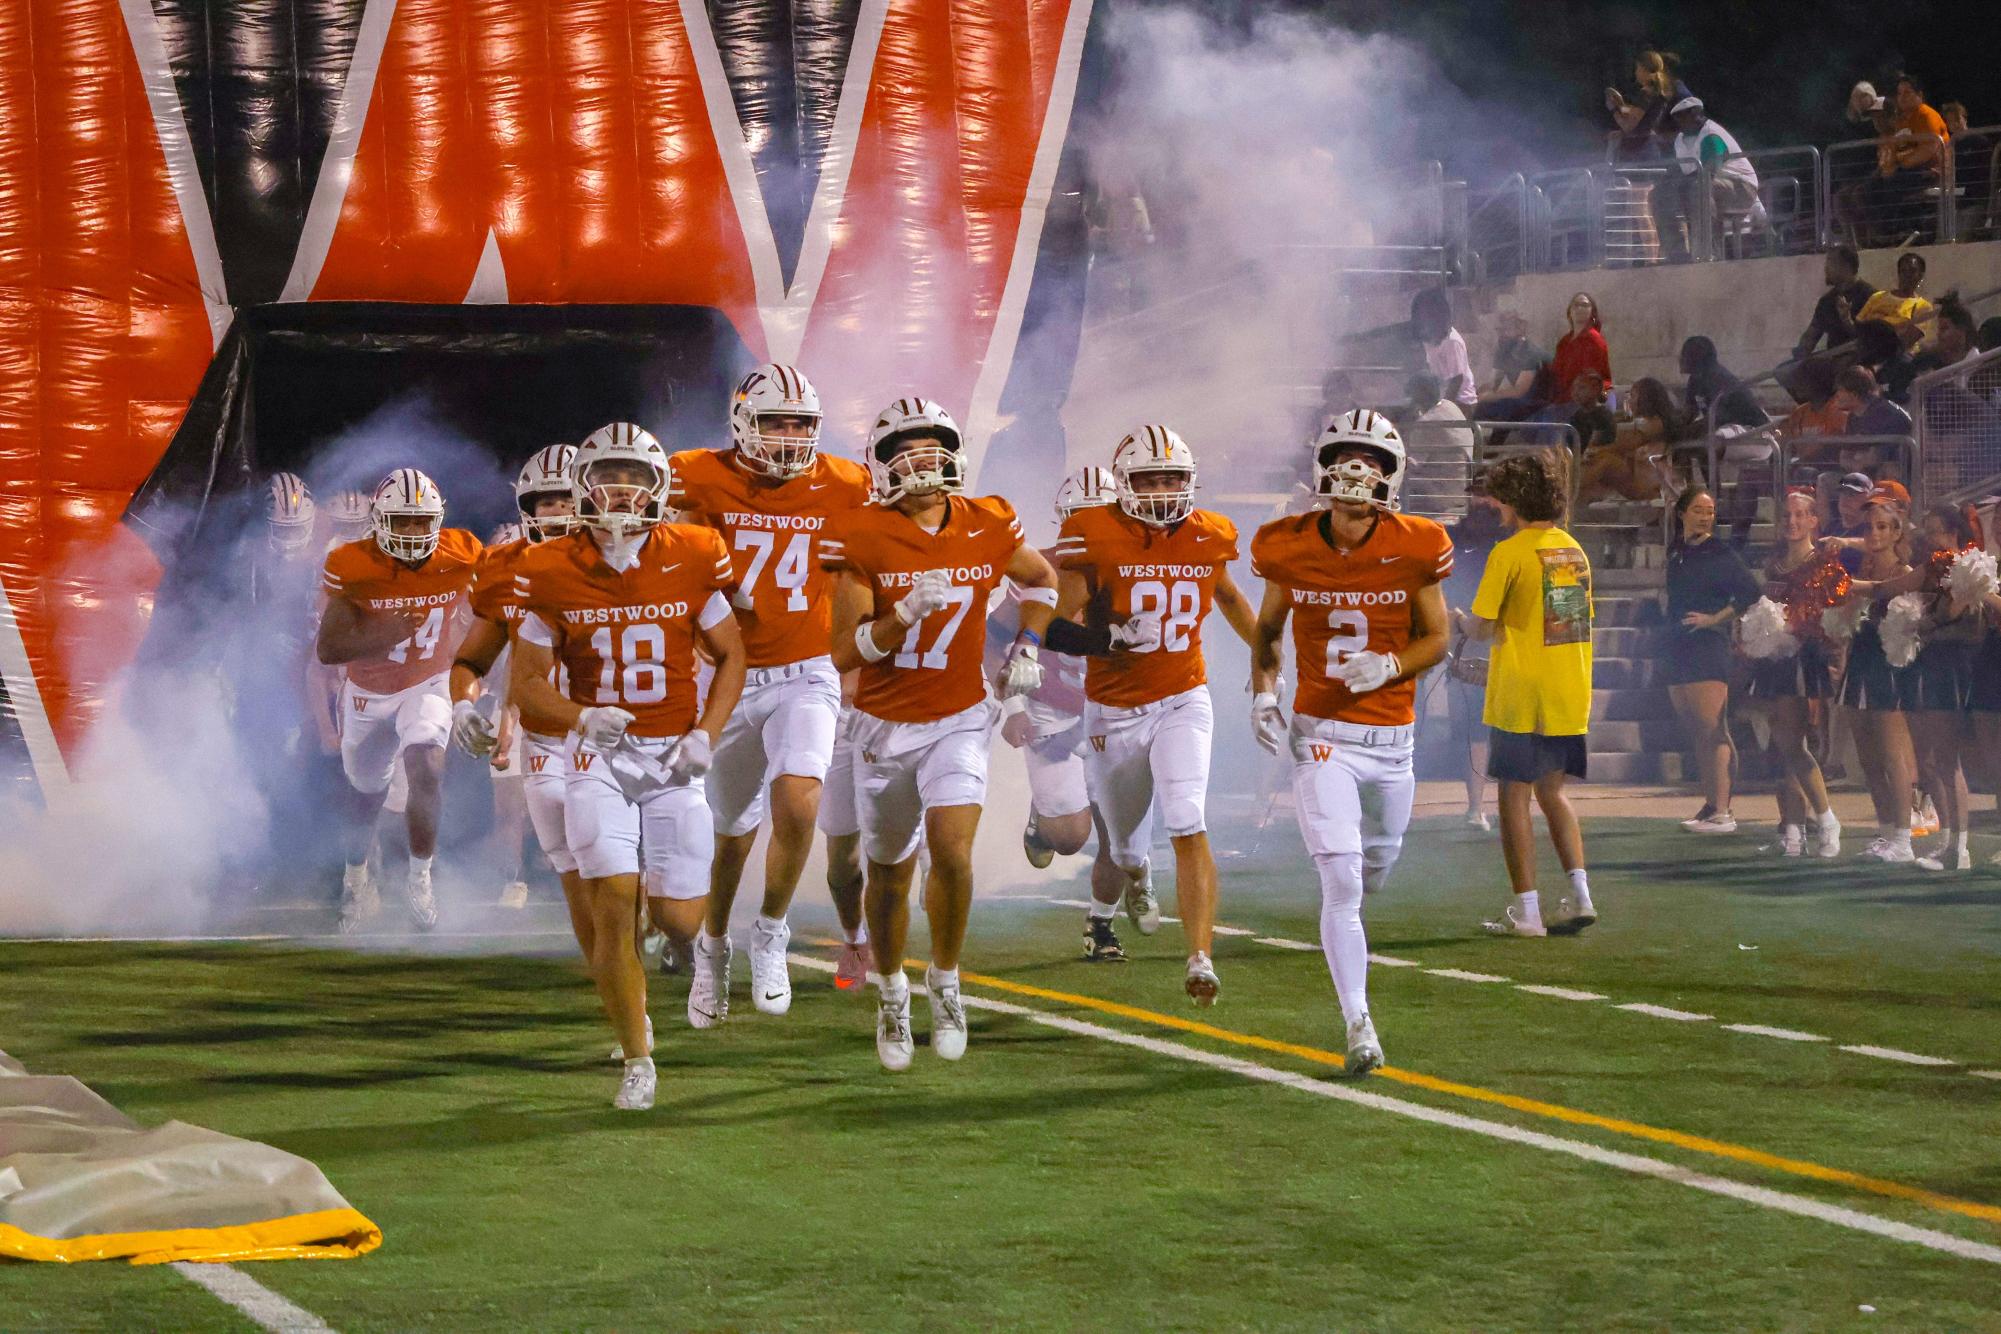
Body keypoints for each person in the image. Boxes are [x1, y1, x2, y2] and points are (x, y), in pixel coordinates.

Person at [510, 422, 748, 1111]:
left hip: (674, 752)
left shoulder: (696, 552)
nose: (621, 490)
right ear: (581, 487)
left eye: (636, 478)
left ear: (658, 489)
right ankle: (638, 1055)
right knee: (612, 905)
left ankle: (697, 948)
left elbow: (731, 652)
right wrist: (581, 716)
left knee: (678, 916)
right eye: (607, 477)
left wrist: (707, 731)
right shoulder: (549, 566)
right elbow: (526, 682)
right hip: (597, 756)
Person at [826, 398, 1058, 1071]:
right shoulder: (861, 534)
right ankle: (892, 989)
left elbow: (1040, 579)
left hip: (958, 717)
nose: (923, 457)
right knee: (890, 875)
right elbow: (844, 652)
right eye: (907, 445)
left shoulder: (987, 519)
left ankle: (947, 982)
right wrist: (900, 617)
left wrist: (1028, 643)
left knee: (952, 854)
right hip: (882, 724)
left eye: (933, 444)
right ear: (884, 460)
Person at [666, 363, 872, 1024]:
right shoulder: (696, 473)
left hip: (808, 670)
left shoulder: (845, 482)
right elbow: (665, 555)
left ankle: (771, 933)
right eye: (774, 423)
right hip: (731, 675)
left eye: (800, 424)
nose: (787, 437)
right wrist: (709, 593)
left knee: (798, 798)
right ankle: (714, 943)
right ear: (740, 423)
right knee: (730, 834)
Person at [1248, 410, 1452, 1075]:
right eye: (1345, 457)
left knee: (1377, 865)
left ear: (1390, 474)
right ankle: (1358, 1021)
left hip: (1392, 741)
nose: (1356, 472)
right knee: (1340, 880)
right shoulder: (1287, 545)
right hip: (1323, 736)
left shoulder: (1417, 544)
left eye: (1370, 460)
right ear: (1322, 467)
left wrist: (1392, 665)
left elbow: (1437, 638)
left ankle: (1358, 948)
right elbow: (1267, 628)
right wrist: (1262, 689)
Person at [1049, 425, 1259, 1006]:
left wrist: (1268, 665)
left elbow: (1232, 599)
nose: (1164, 489)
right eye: (1150, 478)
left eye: (1173, 478)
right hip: (1114, 710)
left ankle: (1200, 957)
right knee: (1124, 850)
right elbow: (1053, 624)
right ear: (1125, 484)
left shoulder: (1207, 534)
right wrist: (1106, 640)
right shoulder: (1094, 533)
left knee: (1189, 815)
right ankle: (1138, 877)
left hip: (1183, 697)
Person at [449, 447, 611, 997]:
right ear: (527, 508)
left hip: (619, 729)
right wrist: (464, 705)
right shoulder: (503, 568)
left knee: (618, 858)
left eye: (568, 498)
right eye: (548, 501)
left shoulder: (626, 555)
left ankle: (656, 934)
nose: (560, 511)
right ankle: (613, 984)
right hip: (547, 735)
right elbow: (474, 659)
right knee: (573, 861)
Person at [316, 469, 482, 933]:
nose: (412, 532)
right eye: (402, 522)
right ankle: (356, 875)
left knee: (427, 766)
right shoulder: (352, 563)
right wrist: (379, 634)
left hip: (427, 682)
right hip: (368, 692)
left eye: (420, 521)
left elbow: (496, 592)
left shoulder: (461, 553)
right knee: (365, 793)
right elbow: (328, 649)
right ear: (379, 520)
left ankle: (420, 878)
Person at [993, 467, 1136, 963]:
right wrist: (1011, 704)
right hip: (1051, 711)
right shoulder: (1044, 569)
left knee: (1119, 829)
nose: (1094, 530)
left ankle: (1101, 925)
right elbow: (992, 640)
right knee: (1072, 838)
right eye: (1083, 519)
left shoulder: (1138, 566)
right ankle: (1043, 819)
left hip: (1112, 707)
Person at [1458, 452, 1596, 938]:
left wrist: (1458, 622)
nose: (1494, 504)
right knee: (1553, 793)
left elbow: (1481, 625)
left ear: (1514, 499)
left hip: (1522, 696)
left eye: (1499, 496)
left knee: (1512, 798)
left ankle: (1527, 911)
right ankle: (1580, 894)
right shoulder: (1572, 549)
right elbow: (1561, 624)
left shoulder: (1509, 552)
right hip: (1568, 688)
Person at [1846, 504, 1982, 871]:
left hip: (1951, 667)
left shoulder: (1971, 567)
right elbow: (1882, 588)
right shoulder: (1933, 567)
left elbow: (1972, 624)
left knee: (1946, 760)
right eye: (1928, 530)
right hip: (1924, 667)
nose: (1933, 538)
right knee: (1930, 761)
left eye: (1939, 531)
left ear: (1956, 533)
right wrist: (1841, 585)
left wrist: (1930, 625)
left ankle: (1959, 847)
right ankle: (1948, 844)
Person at [1743, 490, 1848, 857]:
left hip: (1803, 662)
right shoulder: (1774, 564)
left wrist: (1798, 627)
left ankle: (1828, 820)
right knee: (1779, 747)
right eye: (1786, 516)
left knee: (1793, 744)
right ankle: (1792, 830)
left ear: (1813, 521)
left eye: (1800, 515)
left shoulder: (1823, 562)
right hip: (1773, 661)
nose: (1792, 522)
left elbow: (1833, 614)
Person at [1661, 487, 1760, 833]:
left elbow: (1750, 593)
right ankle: (1709, 802)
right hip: (1677, 644)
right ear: (1682, 513)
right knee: (1694, 728)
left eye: (1710, 511)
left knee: (1713, 727)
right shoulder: (1677, 551)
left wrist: (1714, 619)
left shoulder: (1721, 552)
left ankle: (1724, 810)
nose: (1706, 517)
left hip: (1707, 646)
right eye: (1699, 510)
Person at [1832, 500, 1917, 863]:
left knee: (1892, 756)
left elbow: (1908, 632)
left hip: (1890, 672)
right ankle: (1886, 834)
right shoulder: (1861, 568)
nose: (1875, 534)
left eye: (1883, 527)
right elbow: (1847, 623)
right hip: (1861, 666)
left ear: (1897, 532)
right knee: (1867, 759)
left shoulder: (1905, 572)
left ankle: (1904, 838)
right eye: (1869, 527)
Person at [1441, 483, 1507, 828]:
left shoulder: (1512, 539)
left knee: (1510, 728)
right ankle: (1476, 806)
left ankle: (1513, 803)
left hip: (1507, 643)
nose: (1485, 501)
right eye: (1479, 493)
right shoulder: (1450, 536)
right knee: (1472, 728)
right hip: (1464, 639)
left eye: (1491, 494)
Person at [1860, 75, 1950, 246]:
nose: (1902, 97)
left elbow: (1930, 149)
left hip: (1930, 170)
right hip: (1907, 169)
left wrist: (1899, 165)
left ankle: (1898, 230)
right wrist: (1888, 166)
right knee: (1870, 186)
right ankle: (1882, 233)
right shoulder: (1901, 122)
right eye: (1900, 93)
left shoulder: (1926, 115)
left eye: (1908, 92)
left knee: (1894, 181)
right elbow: (1894, 149)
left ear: (1920, 95)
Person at [1669, 98, 1765, 255]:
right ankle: (1676, 254)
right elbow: (1684, 173)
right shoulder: (1680, 141)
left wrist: (1682, 185)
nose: (1679, 121)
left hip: (1741, 188)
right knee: (1661, 195)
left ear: (1696, 114)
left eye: (1683, 116)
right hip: (1709, 188)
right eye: (1677, 117)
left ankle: (1707, 253)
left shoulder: (1711, 135)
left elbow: (1710, 171)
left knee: (1698, 189)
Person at [1578, 376, 1685, 503]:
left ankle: (1566, 490)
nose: (1629, 400)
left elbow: (1626, 443)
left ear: (1645, 399)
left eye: (1633, 396)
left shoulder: (1656, 423)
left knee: (1605, 461)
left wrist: (1597, 450)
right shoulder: (1643, 422)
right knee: (1596, 463)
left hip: (1652, 485)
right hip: (1637, 478)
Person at [1398, 371, 1474, 519]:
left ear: (1417, 396)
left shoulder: (1427, 423)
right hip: (1462, 488)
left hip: (1442, 494)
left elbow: (1411, 463)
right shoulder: (1450, 406)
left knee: (1396, 473)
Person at [1791, 244, 1875, 362]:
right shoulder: (1826, 301)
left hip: (1859, 366)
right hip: (1832, 365)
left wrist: (1847, 320)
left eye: (1830, 262)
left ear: (1846, 266)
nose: (1826, 268)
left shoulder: (1870, 296)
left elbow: (1871, 341)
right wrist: (1799, 356)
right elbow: (1811, 335)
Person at [1606, 49, 1690, 162]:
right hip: (1649, 148)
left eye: (1638, 69)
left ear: (1644, 70)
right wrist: (1621, 104)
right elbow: (1642, 116)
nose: (1636, 73)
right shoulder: (1659, 92)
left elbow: (1628, 126)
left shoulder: (1646, 93)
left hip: (1638, 151)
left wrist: (1614, 110)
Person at [1680, 336, 1766, 433]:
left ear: (1695, 357)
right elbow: (1690, 412)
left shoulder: (1716, 378)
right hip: (1727, 433)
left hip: (1749, 434)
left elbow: (1715, 420)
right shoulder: (1695, 378)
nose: (1680, 358)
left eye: (1685, 354)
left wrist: (1684, 432)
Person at [1477, 309, 1552, 421]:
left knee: (1507, 406)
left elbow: (1519, 391)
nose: (1502, 334)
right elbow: (1492, 384)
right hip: (1521, 401)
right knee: (1482, 407)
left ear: (1520, 330)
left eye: (1506, 329)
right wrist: (1475, 395)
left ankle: (1495, 439)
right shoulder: (1503, 350)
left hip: (1541, 402)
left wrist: (1489, 396)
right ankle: (1472, 437)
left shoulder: (1530, 353)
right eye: (1499, 330)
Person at [1410, 287, 1477, 411]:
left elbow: (1456, 381)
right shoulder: (1429, 338)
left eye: (1425, 312)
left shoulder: (1452, 341)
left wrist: (1441, 409)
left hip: (1461, 402)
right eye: (1419, 312)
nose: (1421, 316)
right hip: (1441, 398)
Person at [1855, 252, 1933, 349]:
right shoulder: (1877, 297)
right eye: (1903, 271)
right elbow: (1857, 330)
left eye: (1912, 271)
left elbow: (1906, 342)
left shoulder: (1923, 307)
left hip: (1897, 356)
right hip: (1868, 351)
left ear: (1920, 276)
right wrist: (1845, 317)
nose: (1907, 275)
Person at [1548, 293, 1611, 407]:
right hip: (1560, 400)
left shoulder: (1595, 340)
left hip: (1582, 401)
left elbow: (1593, 379)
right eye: (1575, 305)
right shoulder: (1564, 342)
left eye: (1585, 305)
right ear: (1569, 312)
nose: (1579, 308)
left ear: (1592, 312)